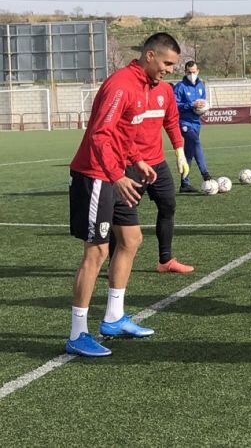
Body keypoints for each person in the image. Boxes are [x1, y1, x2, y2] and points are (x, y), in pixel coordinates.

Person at [64, 32, 181, 357]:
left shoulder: (145, 86)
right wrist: (117, 174)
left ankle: (114, 317)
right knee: (96, 254)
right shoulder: (121, 84)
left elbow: (121, 134)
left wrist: (136, 161)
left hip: (118, 172)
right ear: (149, 56)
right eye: (167, 63)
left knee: (130, 240)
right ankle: (77, 333)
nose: (170, 70)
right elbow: (100, 134)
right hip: (95, 176)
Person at [117, 71, 195, 274]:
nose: (166, 71)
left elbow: (171, 121)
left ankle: (165, 261)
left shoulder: (166, 90)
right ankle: (113, 264)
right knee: (122, 218)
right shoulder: (130, 90)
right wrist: (134, 160)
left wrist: (179, 151)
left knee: (168, 206)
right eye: (165, 65)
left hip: (158, 163)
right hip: (130, 164)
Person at [174, 61, 213, 192]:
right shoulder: (180, 87)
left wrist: (203, 108)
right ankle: (206, 174)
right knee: (196, 142)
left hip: (196, 122)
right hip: (184, 122)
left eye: (194, 71)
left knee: (189, 152)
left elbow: (203, 103)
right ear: (185, 72)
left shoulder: (201, 86)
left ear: (198, 71)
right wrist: (191, 105)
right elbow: (174, 105)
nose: (192, 74)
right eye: (189, 72)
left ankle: (184, 184)